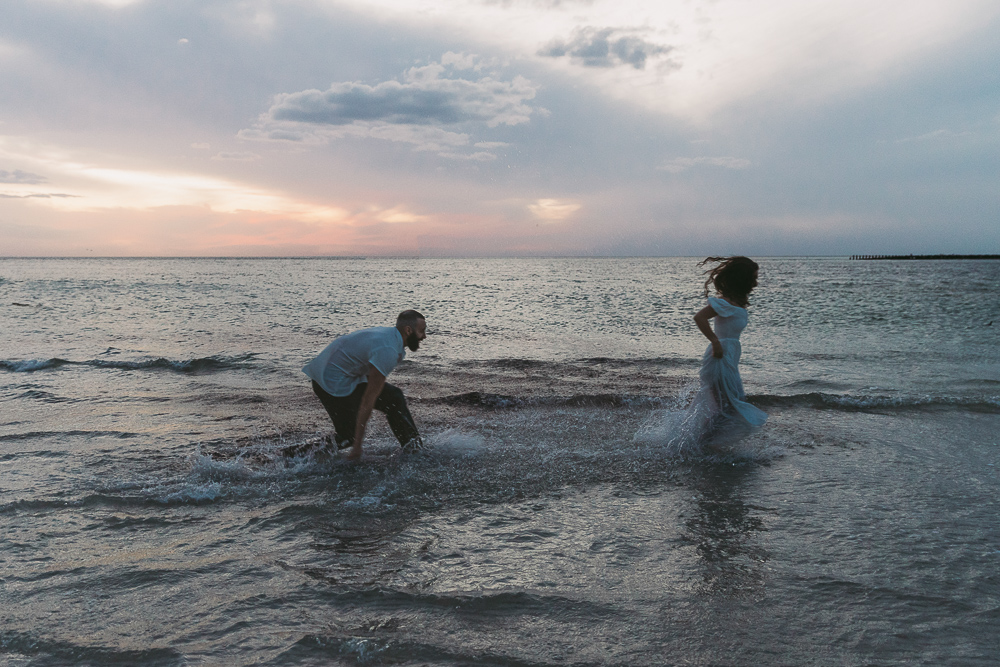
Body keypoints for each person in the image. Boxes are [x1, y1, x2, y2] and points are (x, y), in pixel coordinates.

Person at [298, 310, 427, 461]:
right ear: (408, 330)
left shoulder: (391, 338)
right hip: (331, 381)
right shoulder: (388, 350)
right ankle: (291, 457)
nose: (424, 336)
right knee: (349, 436)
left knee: (393, 398)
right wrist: (358, 446)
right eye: (422, 331)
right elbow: (368, 400)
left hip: (336, 373)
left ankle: (414, 450)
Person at [690, 256, 767, 431]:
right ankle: (702, 445)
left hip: (728, 361)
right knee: (729, 407)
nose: (755, 283)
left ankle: (703, 444)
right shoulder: (724, 302)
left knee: (732, 404)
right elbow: (699, 317)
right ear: (743, 279)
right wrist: (715, 341)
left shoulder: (735, 304)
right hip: (719, 359)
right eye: (753, 278)